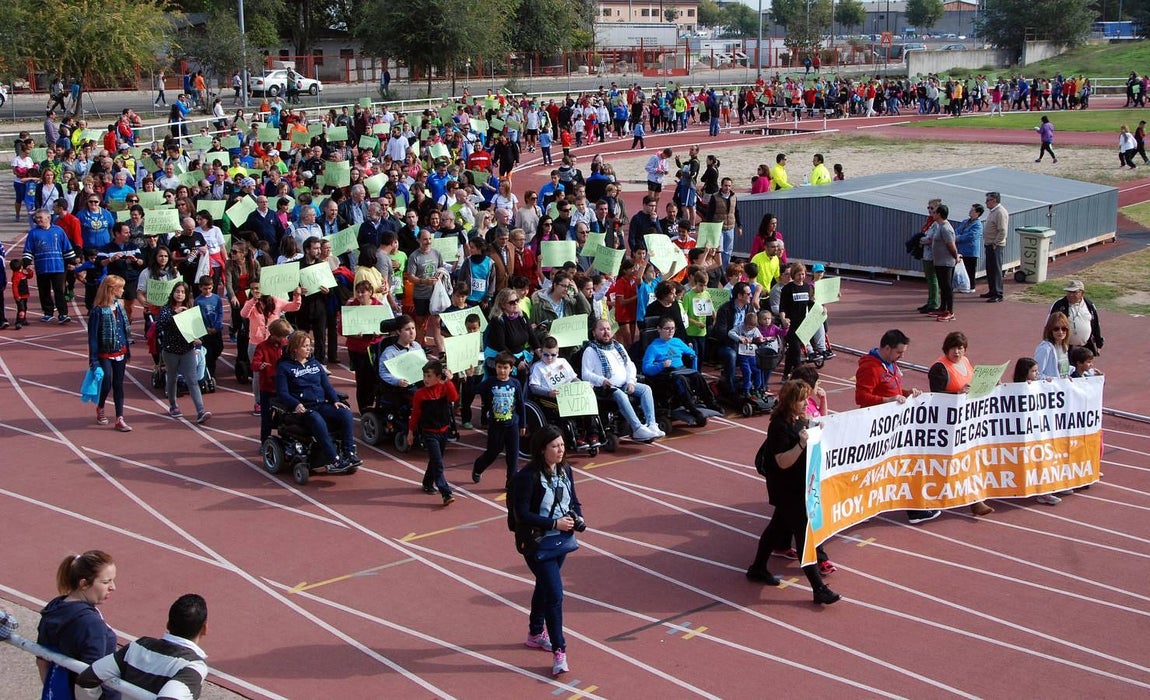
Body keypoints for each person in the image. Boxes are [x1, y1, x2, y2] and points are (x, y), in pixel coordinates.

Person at [744, 380, 841, 605]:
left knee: (776, 526)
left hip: (798, 486)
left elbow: (808, 429)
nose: (806, 402)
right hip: (787, 488)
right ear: (790, 402)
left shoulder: (797, 418)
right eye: (802, 399)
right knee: (804, 535)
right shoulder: (779, 426)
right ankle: (818, 588)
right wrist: (801, 444)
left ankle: (757, 568)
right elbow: (782, 461)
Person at [510, 425, 585, 677]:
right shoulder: (527, 477)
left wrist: (578, 516)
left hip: (561, 541)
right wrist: (553, 523)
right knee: (555, 595)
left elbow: (573, 500)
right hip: (537, 543)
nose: (560, 450)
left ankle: (534, 632)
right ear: (542, 449)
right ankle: (559, 650)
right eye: (555, 446)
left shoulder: (566, 471)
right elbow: (522, 514)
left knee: (544, 587)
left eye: (562, 445)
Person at [855, 329, 938, 524]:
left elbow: (894, 390)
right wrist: (888, 399)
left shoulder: (891, 364)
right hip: (877, 426)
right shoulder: (870, 367)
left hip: (893, 426)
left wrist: (907, 393)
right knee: (879, 468)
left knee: (898, 465)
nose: (902, 356)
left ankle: (912, 508)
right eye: (899, 352)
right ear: (886, 348)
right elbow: (861, 397)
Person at [78, 594, 208, 700]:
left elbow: (86, 679)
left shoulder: (138, 646)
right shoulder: (193, 667)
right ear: (204, 629)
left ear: (168, 624)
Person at [37, 551, 120, 700]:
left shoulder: (54, 607)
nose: (113, 587)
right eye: (106, 582)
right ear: (83, 584)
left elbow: (41, 660)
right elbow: (90, 680)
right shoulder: (91, 624)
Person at [928, 332, 994, 516]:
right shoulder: (939, 368)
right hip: (946, 425)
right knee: (945, 465)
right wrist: (957, 395)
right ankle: (930, 498)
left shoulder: (965, 362)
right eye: (954, 348)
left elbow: (972, 383)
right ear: (946, 348)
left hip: (967, 423)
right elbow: (935, 396)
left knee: (969, 460)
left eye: (961, 348)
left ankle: (976, 500)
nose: (957, 352)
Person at [276, 331, 361, 473]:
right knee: (316, 419)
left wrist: (335, 400)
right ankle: (334, 458)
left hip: (321, 404)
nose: (309, 349)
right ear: (295, 348)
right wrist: (295, 403)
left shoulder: (315, 364)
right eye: (305, 346)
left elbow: (326, 385)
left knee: (345, 413)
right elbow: (282, 393)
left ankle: (349, 453)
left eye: (310, 346)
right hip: (302, 409)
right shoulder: (284, 367)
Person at [581, 318, 662, 441]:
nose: (606, 332)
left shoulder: (618, 346)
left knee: (646, 389)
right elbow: (585, 374)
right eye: (602, 329)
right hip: (604, 388)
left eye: (608, 329)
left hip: (624, 384)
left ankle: (651, 424)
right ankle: (637, 428)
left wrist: (630, 381)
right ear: (594, 333)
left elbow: (629, 365)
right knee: (620, 394)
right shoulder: (590, 350)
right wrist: (601, 380)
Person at [157, 282, 211, 423]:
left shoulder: (191, 309)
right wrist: (175, 314)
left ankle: (200, 411)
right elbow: (161, 324)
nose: (179, 294)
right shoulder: (166, 309)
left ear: (186, 294)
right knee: (172, 378)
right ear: (173, 293)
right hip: (170, 351)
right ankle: (173, 406)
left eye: (182, 292)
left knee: (192, 380)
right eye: (177, 291)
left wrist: (199, 339)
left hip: (187, 350)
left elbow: (197, 329)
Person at [472, 351, 527, 485]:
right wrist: (470, 377)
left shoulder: (515, 383)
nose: (502, 371)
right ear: (495, 367)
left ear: (511, 369)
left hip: (512, 425)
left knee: (513, 456)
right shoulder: (490, 382)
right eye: (499, 367)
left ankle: (511, 483)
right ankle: (478, 467)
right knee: (492, 452)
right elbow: (473, 390)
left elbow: (520, 403)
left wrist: (523, 424)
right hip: (496, 426)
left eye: (505, 368)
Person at [409, 359, 459, 505]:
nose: (425, 379)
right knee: (438, 462)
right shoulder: (420, 394)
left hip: (443, 430)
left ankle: (427, 482)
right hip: (429, 432)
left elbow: (454, 398)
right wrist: (410, 432)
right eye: (424, 376)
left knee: (436, 459)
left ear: (438, 377)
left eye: (429, 376)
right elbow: (416, 414)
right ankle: (446, 492)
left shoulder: (444, 389)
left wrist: (449, 381)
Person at [87, 275, 133, 432]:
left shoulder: (119, 306)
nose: (123, 290)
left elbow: (123, 330)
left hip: (120, 350)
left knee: (118, 384)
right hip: (104, 352)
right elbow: (92, 337)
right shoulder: (97, 311)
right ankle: (100, 406)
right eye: (121, 288)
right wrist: (94, 360)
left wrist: (128, 349)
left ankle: (119, 417)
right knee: (106, 381)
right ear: (112, 290)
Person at [22, 208, 78, 323]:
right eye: (37, 218)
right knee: (44, 290)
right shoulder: (33, 233)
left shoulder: (59, 231)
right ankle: (48, 312)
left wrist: (71, 262)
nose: (38, 220)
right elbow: (28, 250)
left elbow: (67, 248)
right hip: (42, 267)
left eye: (40, 217)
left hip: (58, 267)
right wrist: (27, 263)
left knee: (59, 291)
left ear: (48, 218)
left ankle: (63, 314)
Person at [1050, 280, 1104, 355]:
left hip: (1085, 347)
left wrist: (1099, 343)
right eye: (1069, 292)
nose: (1071, 295)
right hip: (1064, 348)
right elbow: (1050, 325)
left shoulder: (1089, 305)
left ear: (1082, 293)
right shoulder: (1059, 305)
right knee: (1065, 367)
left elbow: (1095, 324)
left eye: (1074, 292)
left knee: (1084, 366)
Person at [929, 204, 959, 322]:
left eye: (935, 212)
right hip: (939, 262)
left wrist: (955, 257)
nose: (933, 214)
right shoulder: (939, 226)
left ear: (940, 214)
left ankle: (950, 312)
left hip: (946, 263)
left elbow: (951, 245)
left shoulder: (946, 228)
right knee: (943, 286)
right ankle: (942, 308)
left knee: (947, 287)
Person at [982, 192, 1007, 303]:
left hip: (995, 246)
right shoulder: (993, 212)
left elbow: (1002, 231)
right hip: (989, 244)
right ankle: (992, 290)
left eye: (988, 200)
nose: (986, 202)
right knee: (990, 268)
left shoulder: (1000, 212)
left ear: (994, 200)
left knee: (996, 269)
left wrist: (995, 243)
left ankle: (998, 293)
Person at [954, 203, 984, 295]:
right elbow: (958, 230)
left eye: (972, 210)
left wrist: (958, 238)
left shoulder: (978, 225)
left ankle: (971, 286)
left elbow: (971, 236)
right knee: (961, 269)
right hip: (961, 250)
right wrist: (955, 236)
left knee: (970, 269)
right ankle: (962, 285)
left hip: (970, 251)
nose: (970, 212)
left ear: (977, 213)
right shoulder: (965, 221)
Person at [1034, 311, 1071, 380]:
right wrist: (1049, 379)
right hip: (1049, 388)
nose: (1060, 332)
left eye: (1063, 329)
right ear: (1050, 330)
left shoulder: (1064, 347)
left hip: (1062, 387)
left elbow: (1063, 370)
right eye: (1056, 329)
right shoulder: (1045, 349)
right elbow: (1036, 374)